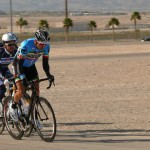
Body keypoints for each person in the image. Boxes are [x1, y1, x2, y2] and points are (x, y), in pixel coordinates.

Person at [10, 29, 54, 122]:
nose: (43, 46)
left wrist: (48, 74)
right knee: (21, 90)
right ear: (36, 41)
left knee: (37, 89)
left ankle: (32, 113)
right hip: (18, 66)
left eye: (45, 44)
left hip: (30, 67)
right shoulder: (26, 45)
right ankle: (13, 106)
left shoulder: (46, 47)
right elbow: (19, 63)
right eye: (41, 44)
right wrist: (22, 77)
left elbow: (45, 63)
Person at [0, 32, 18, 115]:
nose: (12, 46)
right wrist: (3, 79)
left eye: (14, 44)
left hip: (4, 68)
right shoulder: (1, 52)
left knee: (14, 84)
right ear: (4, 45)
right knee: (2, 89)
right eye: (9, 45)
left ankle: (11, 107)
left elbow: (18, 64)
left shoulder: (16, 50)